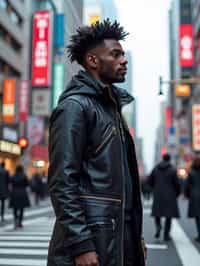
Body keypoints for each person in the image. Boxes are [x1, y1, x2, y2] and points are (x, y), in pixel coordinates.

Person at [47, 19, 146, 266]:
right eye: (115, 54)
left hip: (118, 236)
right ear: (93, 61)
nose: (124, 60)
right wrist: (81, 244)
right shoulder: (75, 107)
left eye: (123, 54)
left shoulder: (111, 109)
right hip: (93, 241)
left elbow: (125, 185)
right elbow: (62, 181)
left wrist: (135, 236)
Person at [149, 153, 180, 241]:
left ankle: (158, 227)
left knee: (157, 214)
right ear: (169, 159)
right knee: (168, 216)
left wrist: (154, 189)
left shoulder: (156, 168)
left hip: (158, 194)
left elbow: (150, 180)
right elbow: (177, 184)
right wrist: (177, 193)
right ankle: (166, 234)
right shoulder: (172, 170)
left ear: (162, 158)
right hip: (170, 195)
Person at [184, 156, 200, 242]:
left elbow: (187, 185)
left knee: (198, 217)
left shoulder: (191, 172)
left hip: (195, 196)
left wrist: (187, 195)